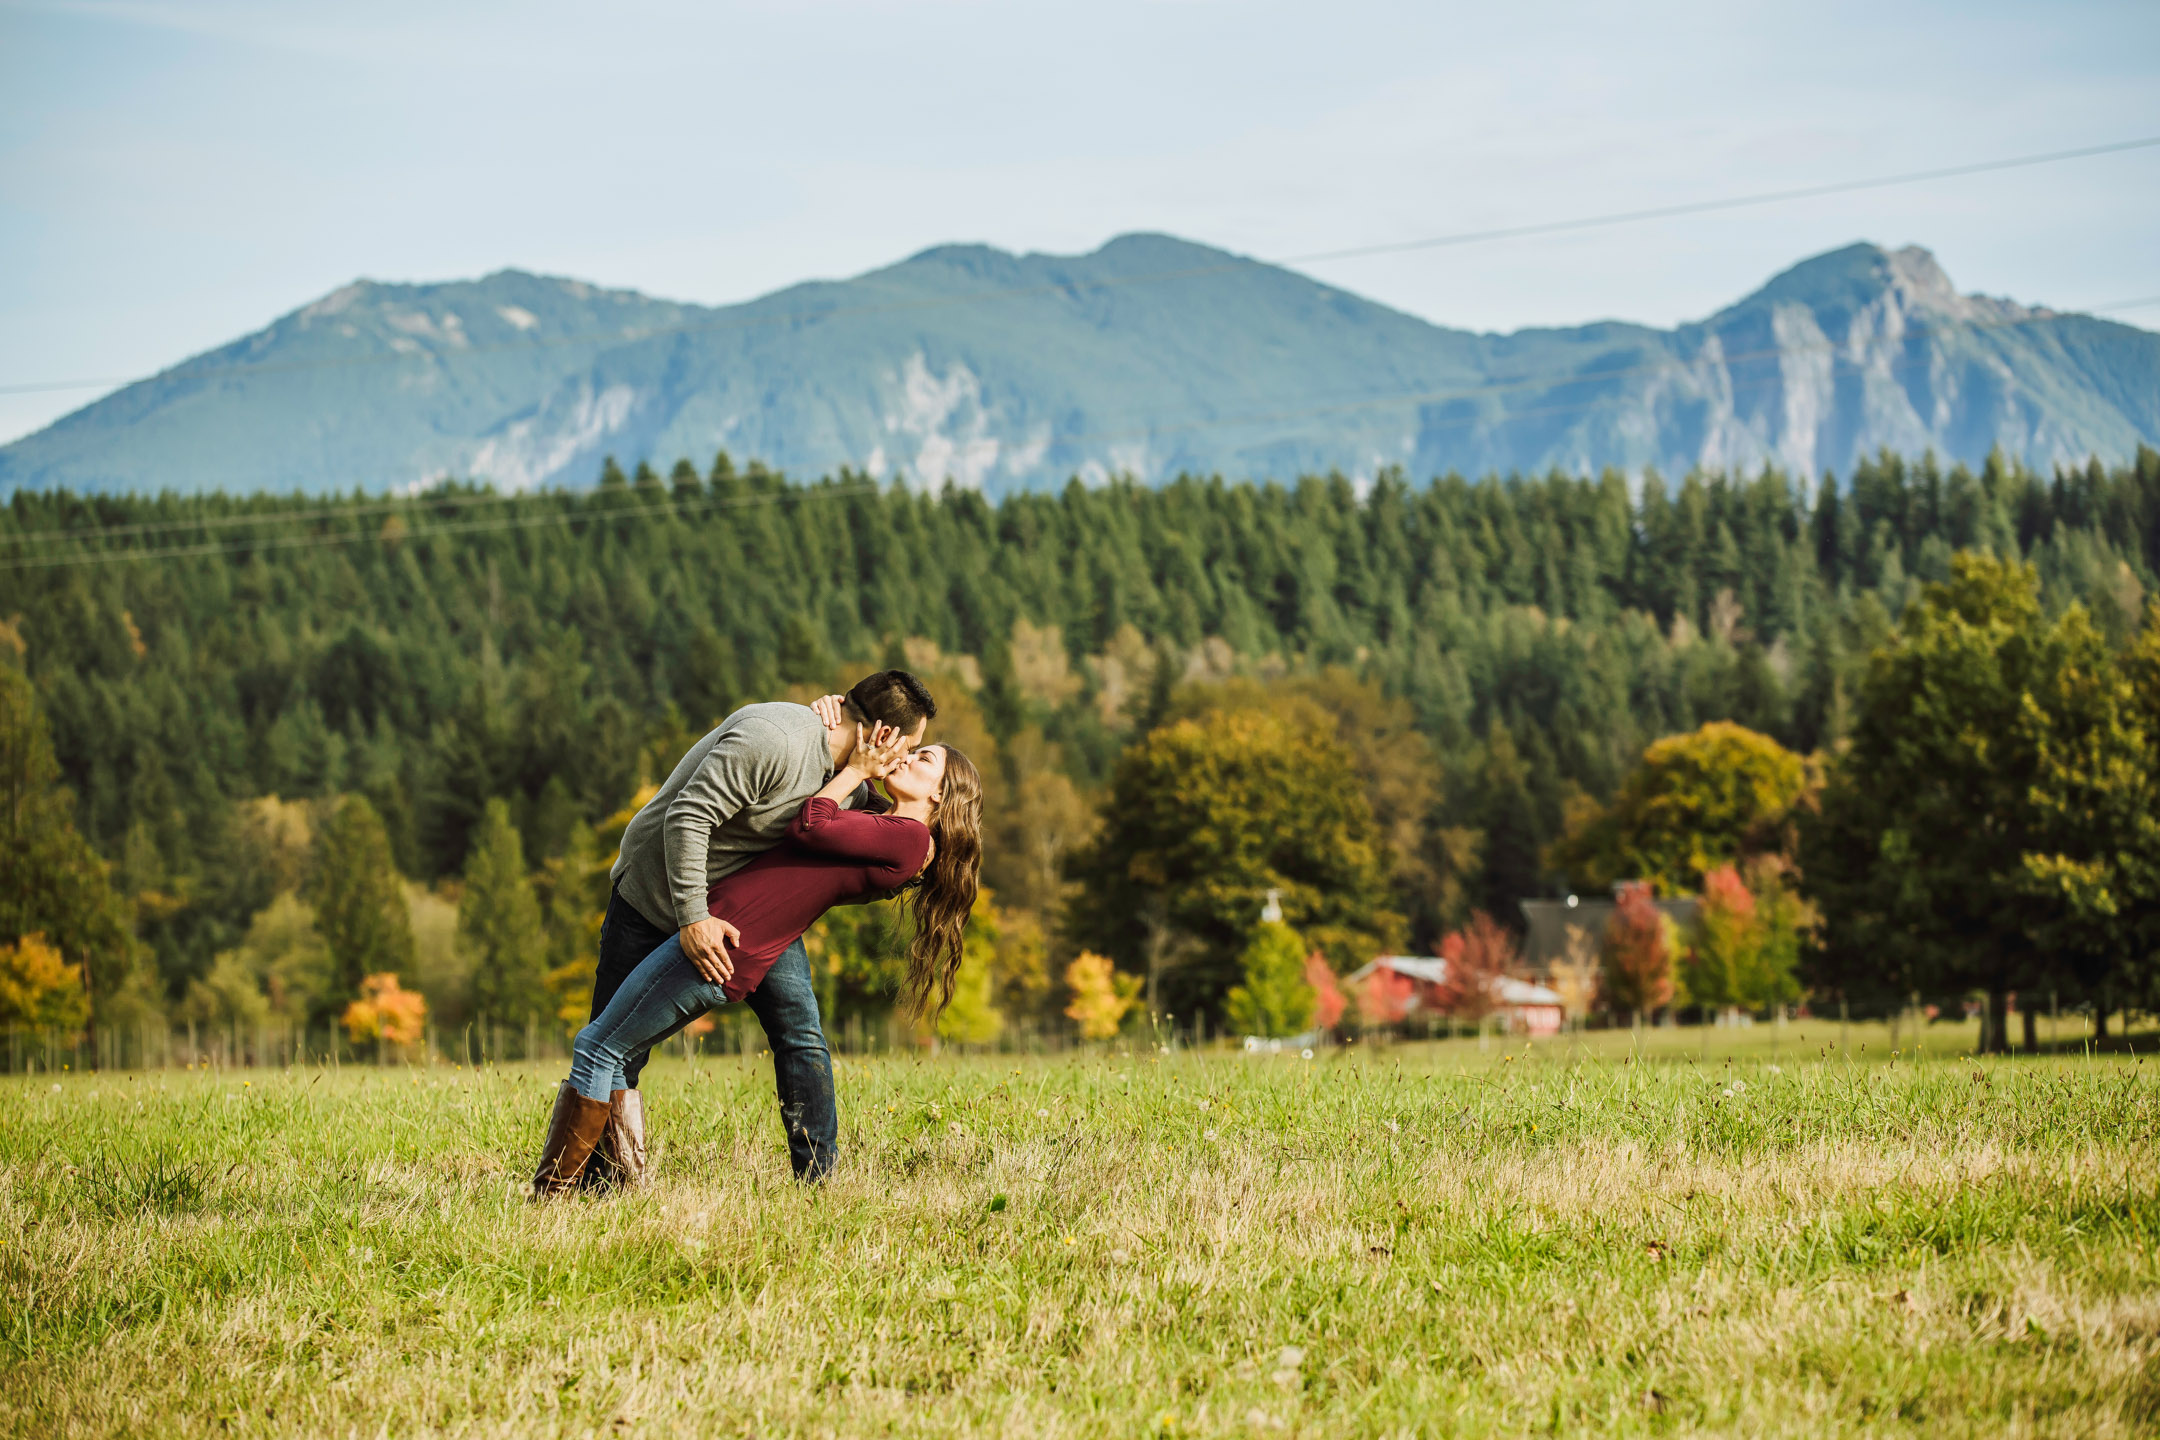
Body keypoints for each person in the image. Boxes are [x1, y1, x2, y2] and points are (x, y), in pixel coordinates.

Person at [532, 726, 983, 1197]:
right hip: (729, 937)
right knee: (610, 1049)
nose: (908, 758)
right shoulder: (886, 826)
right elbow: (836, 801)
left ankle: (552, 1197)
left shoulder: (907, 840)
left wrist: (855, 770)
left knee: (598, 1046)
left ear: (940, 795)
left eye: (924, 759)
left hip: (722, 943)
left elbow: (811, 822)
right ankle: (612, 1184)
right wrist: (842, 738)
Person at [585, 670, 938, 1186]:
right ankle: (601, 1183)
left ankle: (818, 1182)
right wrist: (692, 918)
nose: (907, 759)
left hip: (744, 909)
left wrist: (929, 851)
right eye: (911, 747)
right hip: (657, 896)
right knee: (615, 1043)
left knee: (800, 1034)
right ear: (882, 736)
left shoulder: (849, 783)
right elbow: (686, 817)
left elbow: (883, 834)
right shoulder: (773, 739)